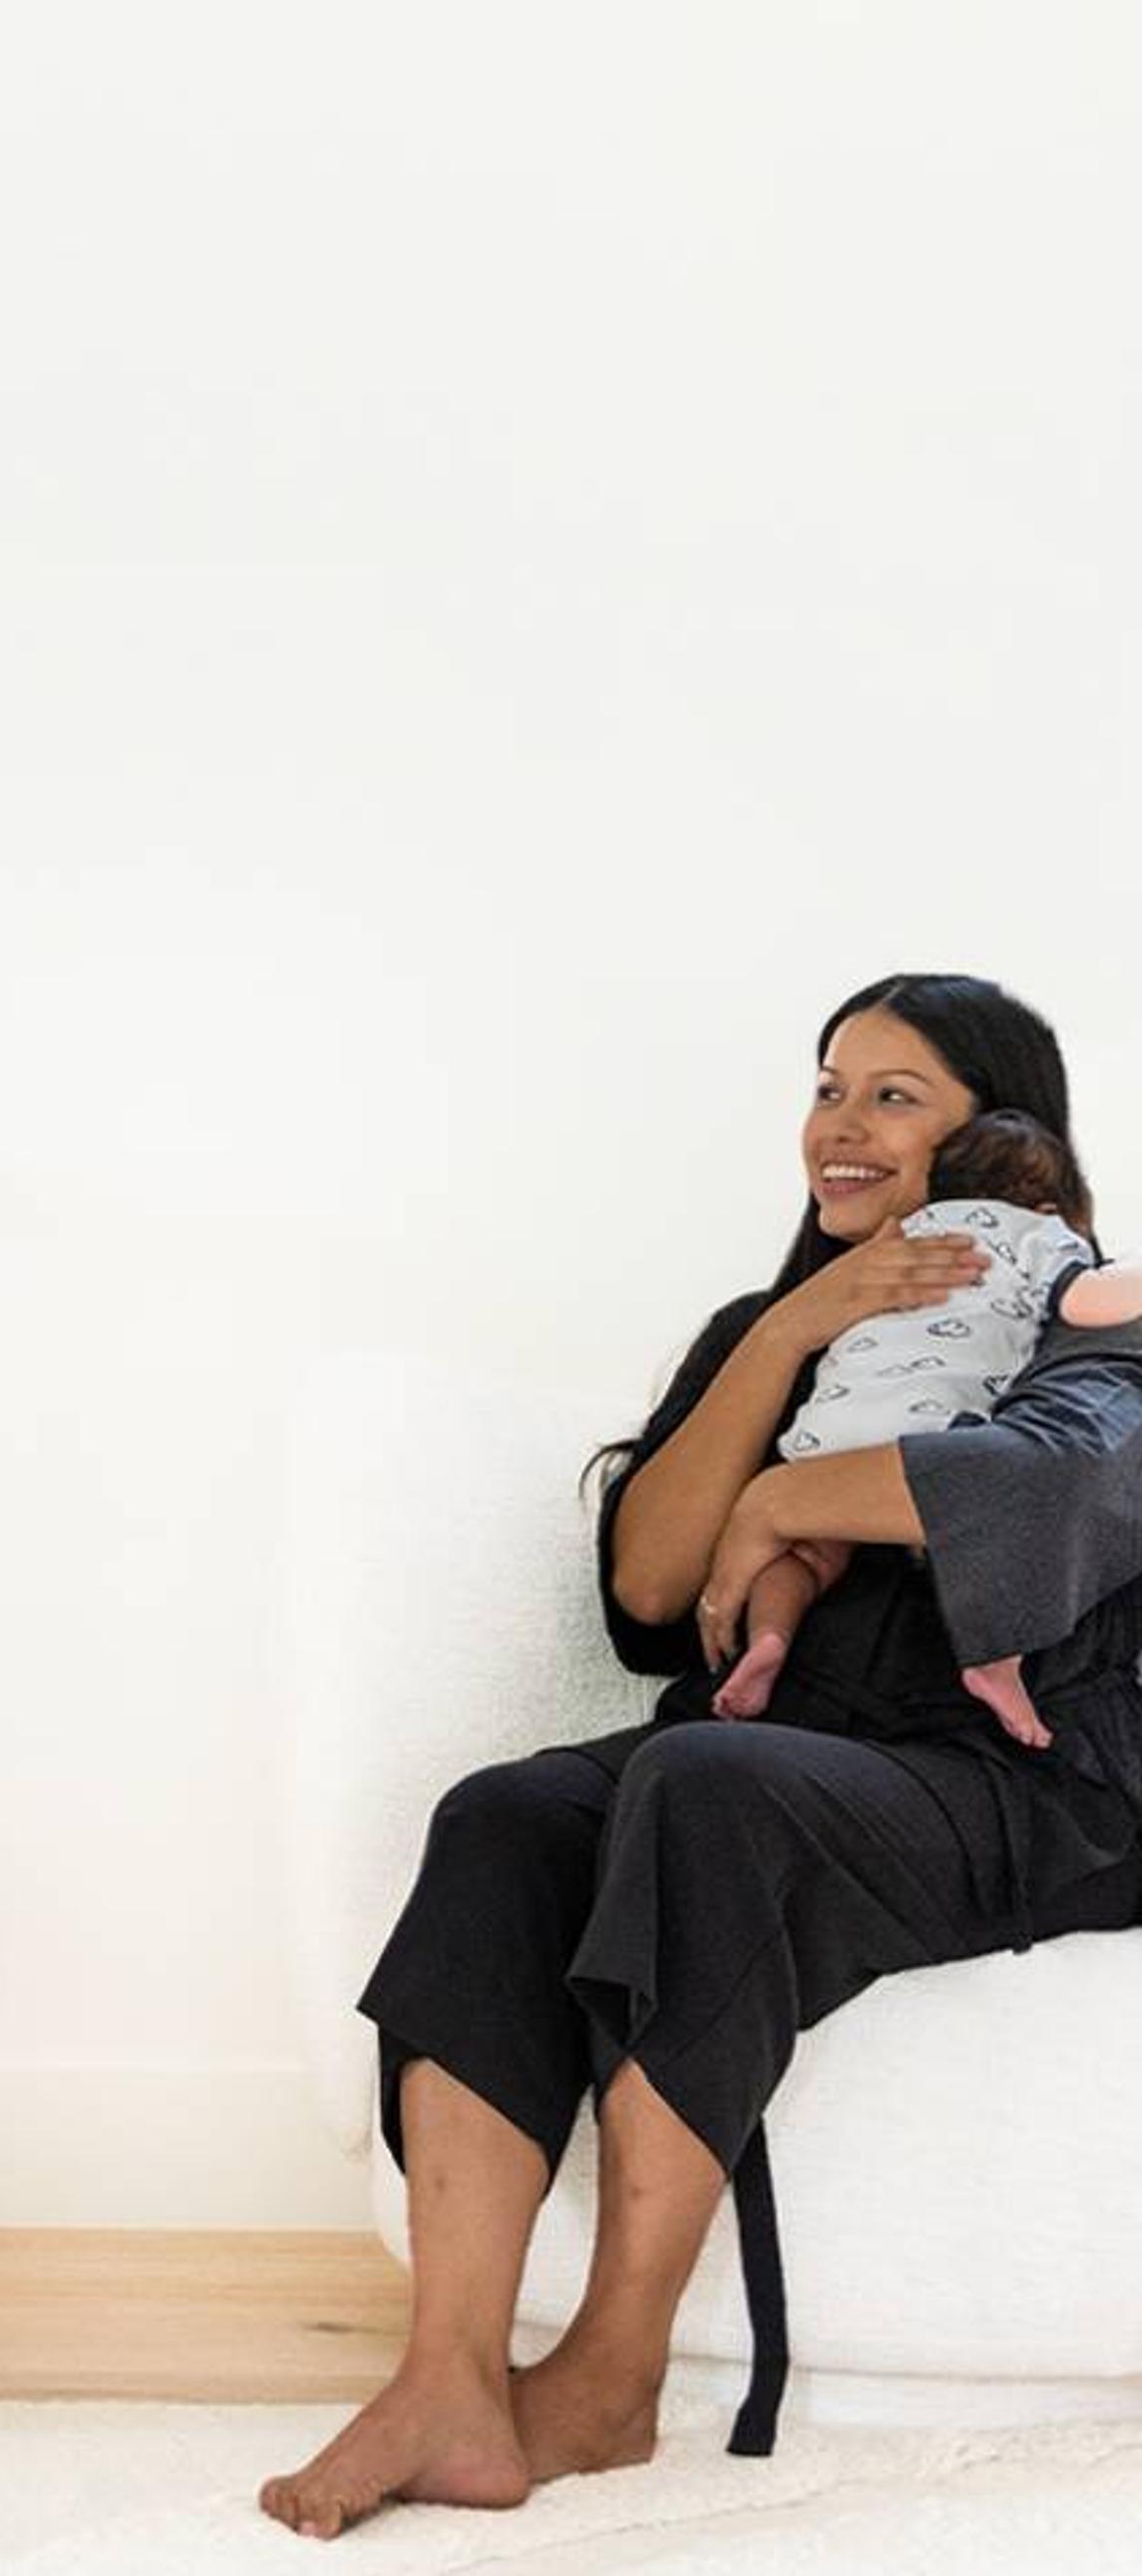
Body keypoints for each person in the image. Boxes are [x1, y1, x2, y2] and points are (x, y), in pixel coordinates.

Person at [260, 972, 1142, 2538]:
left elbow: (1051, 1488)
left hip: (1020, 1782)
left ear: (996, 1128)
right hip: (790, 1745)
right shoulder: (771, 1333)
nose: (840, 1125)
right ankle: (447, 2378)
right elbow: (654, 1591)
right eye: (828, 1085)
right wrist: (794, 1325)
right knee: (509, 1814)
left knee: (704, 1784)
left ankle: (610, 2373)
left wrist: (787, 1501)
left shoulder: (1094, 1310)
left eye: (894, 1094)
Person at [718, 1108, 1138, 1737]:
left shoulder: (901, 1237)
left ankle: (769, 1641)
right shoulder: (1036, 1236)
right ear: (1053, 1205)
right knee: (979, 1529)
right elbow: (1086, 1303)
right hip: (927, 1431)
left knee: (809, 1555)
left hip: (831, 1425)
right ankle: (993, 1662)